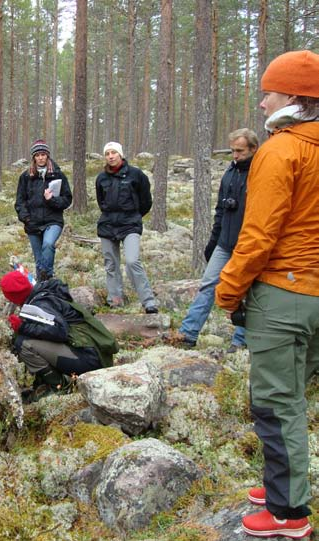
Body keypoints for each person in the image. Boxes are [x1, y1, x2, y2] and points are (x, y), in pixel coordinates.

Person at [215, 50, 319, 539]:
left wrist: (228, 290)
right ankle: (282, 485)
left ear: (296, 98)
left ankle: (288, 513)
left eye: (269, 93)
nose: (261, 103)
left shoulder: (280, 150)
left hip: (282, 293)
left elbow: (258, 235)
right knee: (293, 396)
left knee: (278, 404)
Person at [178, 128, 258, 351]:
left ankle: (240, 341)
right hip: (225, 243)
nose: (235, 155)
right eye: (232, 150)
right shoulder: (229, 173)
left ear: (253, 148)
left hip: (249, 245)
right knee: (208, 285)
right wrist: (213, 242)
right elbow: (221, 210)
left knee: (248, 292)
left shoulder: (260, 173)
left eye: (240, 150)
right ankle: (188, 333)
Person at [0, 270, 117, 401]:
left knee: (23, 343)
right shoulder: (45, 293)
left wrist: (22, 327)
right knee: (29, 338)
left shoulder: (39, 304)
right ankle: (45, 383)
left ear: (13, 297)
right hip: (96, 354)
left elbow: (60, 332)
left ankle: (60, 386)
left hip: (91, 359)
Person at [95, 141, 158, 314]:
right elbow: (101, 201)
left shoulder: (136, 175)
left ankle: (148, 301)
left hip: (130, 224)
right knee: (111, 264)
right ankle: (115, 298)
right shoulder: (101, 178)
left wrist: (134, 216)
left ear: (121, 154)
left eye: (113, 153)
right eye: (107, 154)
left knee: (132, 261)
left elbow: (146, 201)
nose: (110, 156)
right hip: (107, 225)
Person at [14, 139, 72, 281]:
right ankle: (43, 286)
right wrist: (26, 218)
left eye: (43, 154)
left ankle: (48, 276)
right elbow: (20, 202)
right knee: (39, 260)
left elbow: (67, 199)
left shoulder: (58, 175)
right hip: (32, 223)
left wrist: (51, 200)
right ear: (33, 157)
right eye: (37, 155)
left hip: (53, 221)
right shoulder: (26, 177)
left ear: (48, 155)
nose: (40, 158)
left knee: (48, 245)